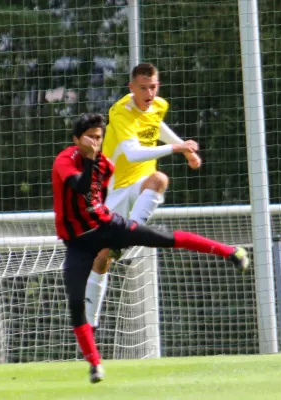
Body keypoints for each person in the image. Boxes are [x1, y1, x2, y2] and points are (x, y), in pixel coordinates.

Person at [52, 113, 249, 383]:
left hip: (107, 228)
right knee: (75, 302)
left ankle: (230, 252)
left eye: (99, 137)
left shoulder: (105, 165)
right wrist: (91, 160)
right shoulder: (65, 161)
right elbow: (81, 185)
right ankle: (95, 365)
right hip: (77, 243)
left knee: (163, 238)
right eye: (89, 137)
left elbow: (99, 199)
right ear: (76, 140)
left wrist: (114, 229)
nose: (95, 142)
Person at [84, 63, 202, 331]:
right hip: (112, 190)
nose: (149, 93)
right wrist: (177, 148)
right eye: (142, 88)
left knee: (159, 179)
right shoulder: (121, 112)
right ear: (131, 88)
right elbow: (133, 153)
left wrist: (186, 151)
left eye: (153, 86)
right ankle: (89, 325)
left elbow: (155, 126)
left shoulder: (159, 105)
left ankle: (131, 233)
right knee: (102, 257)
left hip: (139, 182)